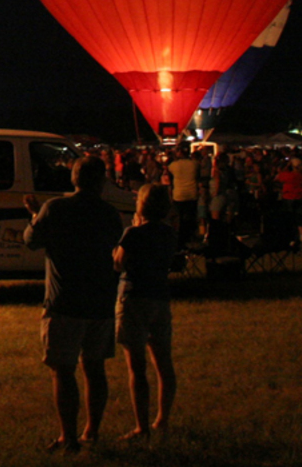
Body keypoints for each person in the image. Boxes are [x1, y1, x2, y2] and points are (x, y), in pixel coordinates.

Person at [23, 155, 124, 453]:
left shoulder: (55, 208)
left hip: (65, 301)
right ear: (102, 181)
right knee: (95, 368)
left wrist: (34, 215)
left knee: (63, 370)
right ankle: (91, 431)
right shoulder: (109, 214)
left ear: (74, 178)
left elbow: (31, 240)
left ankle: (68, 437)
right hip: (101, 301)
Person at [113, 183, 177, 440]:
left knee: (137, 366)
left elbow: (119, 263)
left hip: (134, 296)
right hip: (160, 297)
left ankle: (141, 426)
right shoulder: (169, 233)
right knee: (164, 362)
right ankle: (162, 419)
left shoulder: (133, 234)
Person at [166, 145, 199, 249]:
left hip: (179, 194)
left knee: (178, 218)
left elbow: (168, 171)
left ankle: (179, 240)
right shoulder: (195, 164)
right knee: (189, 217)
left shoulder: (174, 165)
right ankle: (189, 238)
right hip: (192, 194)